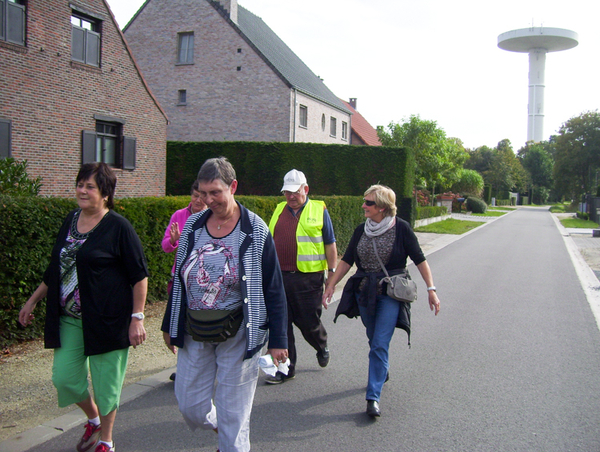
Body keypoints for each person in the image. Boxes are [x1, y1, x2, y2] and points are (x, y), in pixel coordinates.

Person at [19, 162, 149, 452]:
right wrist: (32, 300)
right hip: (69, 319)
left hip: (108, 320)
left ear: (105, 193)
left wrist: (136, 318)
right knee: (64, 379)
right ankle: (93, 418)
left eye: (90, 186)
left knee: (106, 387)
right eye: (80, 184)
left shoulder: (118, 227)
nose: (82, 190)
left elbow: (139, 276)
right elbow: (56, 268)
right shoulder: (71, 219)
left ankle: (106, 440)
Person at [162, 157, 288, 452]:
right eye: (203, 193)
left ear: (233, 187)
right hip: (196, 329)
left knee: (235, 412)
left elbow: (273, 287)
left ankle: (231, 440)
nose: (208, 200)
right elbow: (180, 278)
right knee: (189, 403)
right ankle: (224, 428)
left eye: (215, 193)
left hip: (240, 333)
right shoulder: (192, 226)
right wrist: (170, 324)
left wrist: (279, 339)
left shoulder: (255, 229)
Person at [322, 184, 440, 418]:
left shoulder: (402, 229)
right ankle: (382, 368)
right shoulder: (361, 230)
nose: (364, 206)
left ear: (383, 208)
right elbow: (347, 260)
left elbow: (419, 259)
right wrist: (331, 284)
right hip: (364, 291)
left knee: (379, 343)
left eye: (369, 203)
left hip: (390, 294)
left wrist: (431, 289)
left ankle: (373, 397)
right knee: (372, 336)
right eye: (364, 201)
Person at [265, 169, 337, 384]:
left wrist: (331, 274)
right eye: (287, 192)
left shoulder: (319, 209)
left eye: (295, 192)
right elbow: (268, 241)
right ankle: (286, 369)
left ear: (305, 189)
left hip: (309, 279)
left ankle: (321, 344)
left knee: (308, 323)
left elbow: (330, 244)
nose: (290, 197)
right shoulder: (279, 210)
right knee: (282, 324)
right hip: (280, 278)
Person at [162, 180, 207, 381]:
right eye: (195, 195)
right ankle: (183, 368)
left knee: (198, 324)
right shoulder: (179, 216)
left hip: (203, 282)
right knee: (179, 322)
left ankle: (201, 367)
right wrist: (173, 241)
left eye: (202, 196)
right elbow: (165, 246)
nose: (198, 200)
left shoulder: (212, 217)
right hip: (180, 278)